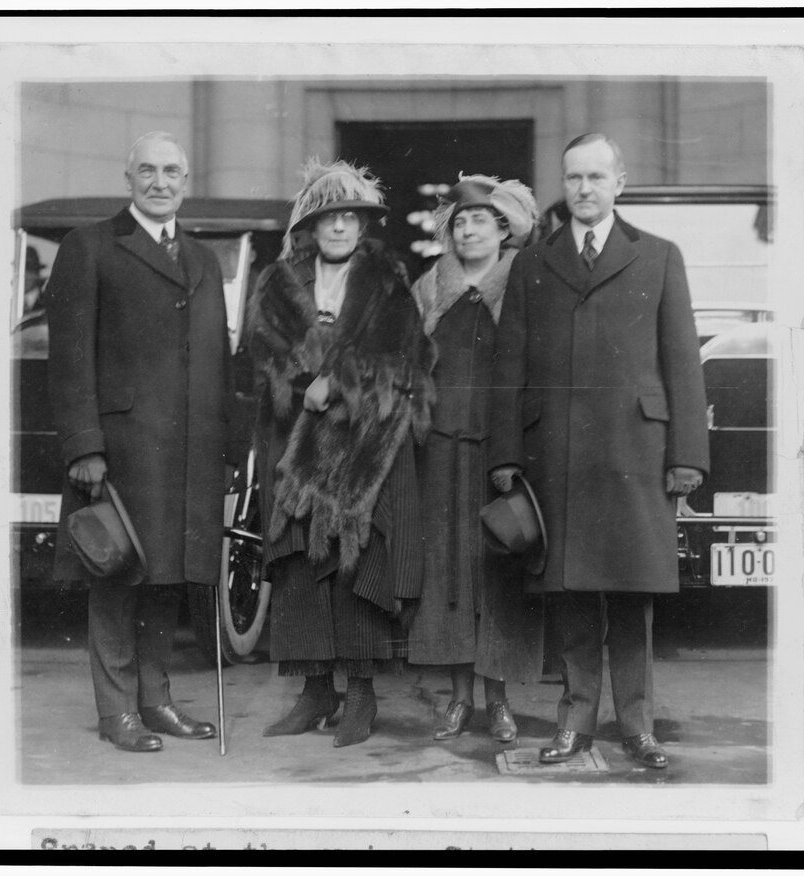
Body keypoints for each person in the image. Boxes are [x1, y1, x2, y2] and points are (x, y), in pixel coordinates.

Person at [488, 134, 710, 769]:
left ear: (620, 182)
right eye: (573, 178)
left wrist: (686, 455)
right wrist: (505, 453)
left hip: (636, 452)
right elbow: (510, 366)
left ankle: (637, 726)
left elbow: (682, 364)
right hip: (556, 454)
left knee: (633, 595)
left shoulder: (660, 256)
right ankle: (575, 723)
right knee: (573, 595)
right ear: (563, 184)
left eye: (596, 177)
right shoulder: (534, 263)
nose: (584, 189)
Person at [44, 132, 231, 752]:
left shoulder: (203, 260)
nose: (159, 181)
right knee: (118, 573)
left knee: (169, 579)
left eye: (171, 171)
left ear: (187, 179)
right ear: (128, 178)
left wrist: (222, 449)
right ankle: (117, 710)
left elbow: (215, 362)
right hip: (121, 449)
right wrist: (83, 445)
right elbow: (69, 357)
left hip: (188, 454)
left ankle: (156, 701)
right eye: (146, 170)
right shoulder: (90, 247)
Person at [249, 158, 435, 748]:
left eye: (350, 217)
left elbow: (407, 359)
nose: (339, 228)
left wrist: (343, 380)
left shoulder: (386, 281)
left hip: (364, 450)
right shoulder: (277, 282)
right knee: (301, 565)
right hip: (296, 442)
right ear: (310, 225)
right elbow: (263, 351)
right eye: (329, 218)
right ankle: (313, 691)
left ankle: (359, 693)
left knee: (357, 562)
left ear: (363, 226)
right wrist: (304, 384)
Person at [406, 175, 544, 743]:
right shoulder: (426, 289)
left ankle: (500, 701)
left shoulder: (524, 286)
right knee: (448, 576)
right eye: (458, 222)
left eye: (479, 220)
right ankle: (459, 699)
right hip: (439, 454)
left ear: (504, 228)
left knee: (499, 574)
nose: (467, 230)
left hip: (501, 456)